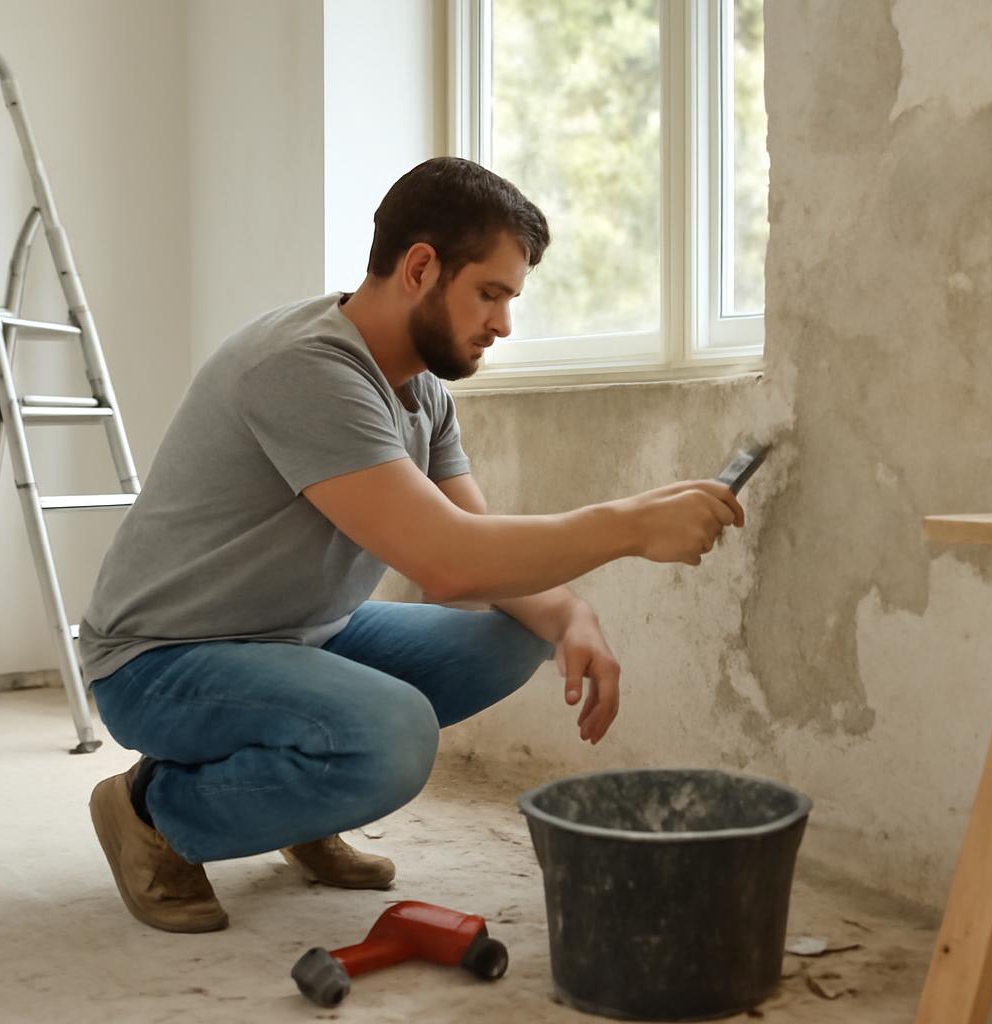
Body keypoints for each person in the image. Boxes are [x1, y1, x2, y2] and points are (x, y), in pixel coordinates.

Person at [80, 156, 745, 933]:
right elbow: (448, 562)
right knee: (388, 737)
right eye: (490, 294)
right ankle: (153, 813)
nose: (503, 323)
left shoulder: (417, 387)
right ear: (421, 267)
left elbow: (478, 546)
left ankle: (294, 808)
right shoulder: (303, 368)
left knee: (512, 636)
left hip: (299, 637)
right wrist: (629, 527)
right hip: (160, 661)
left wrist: (567, 615)